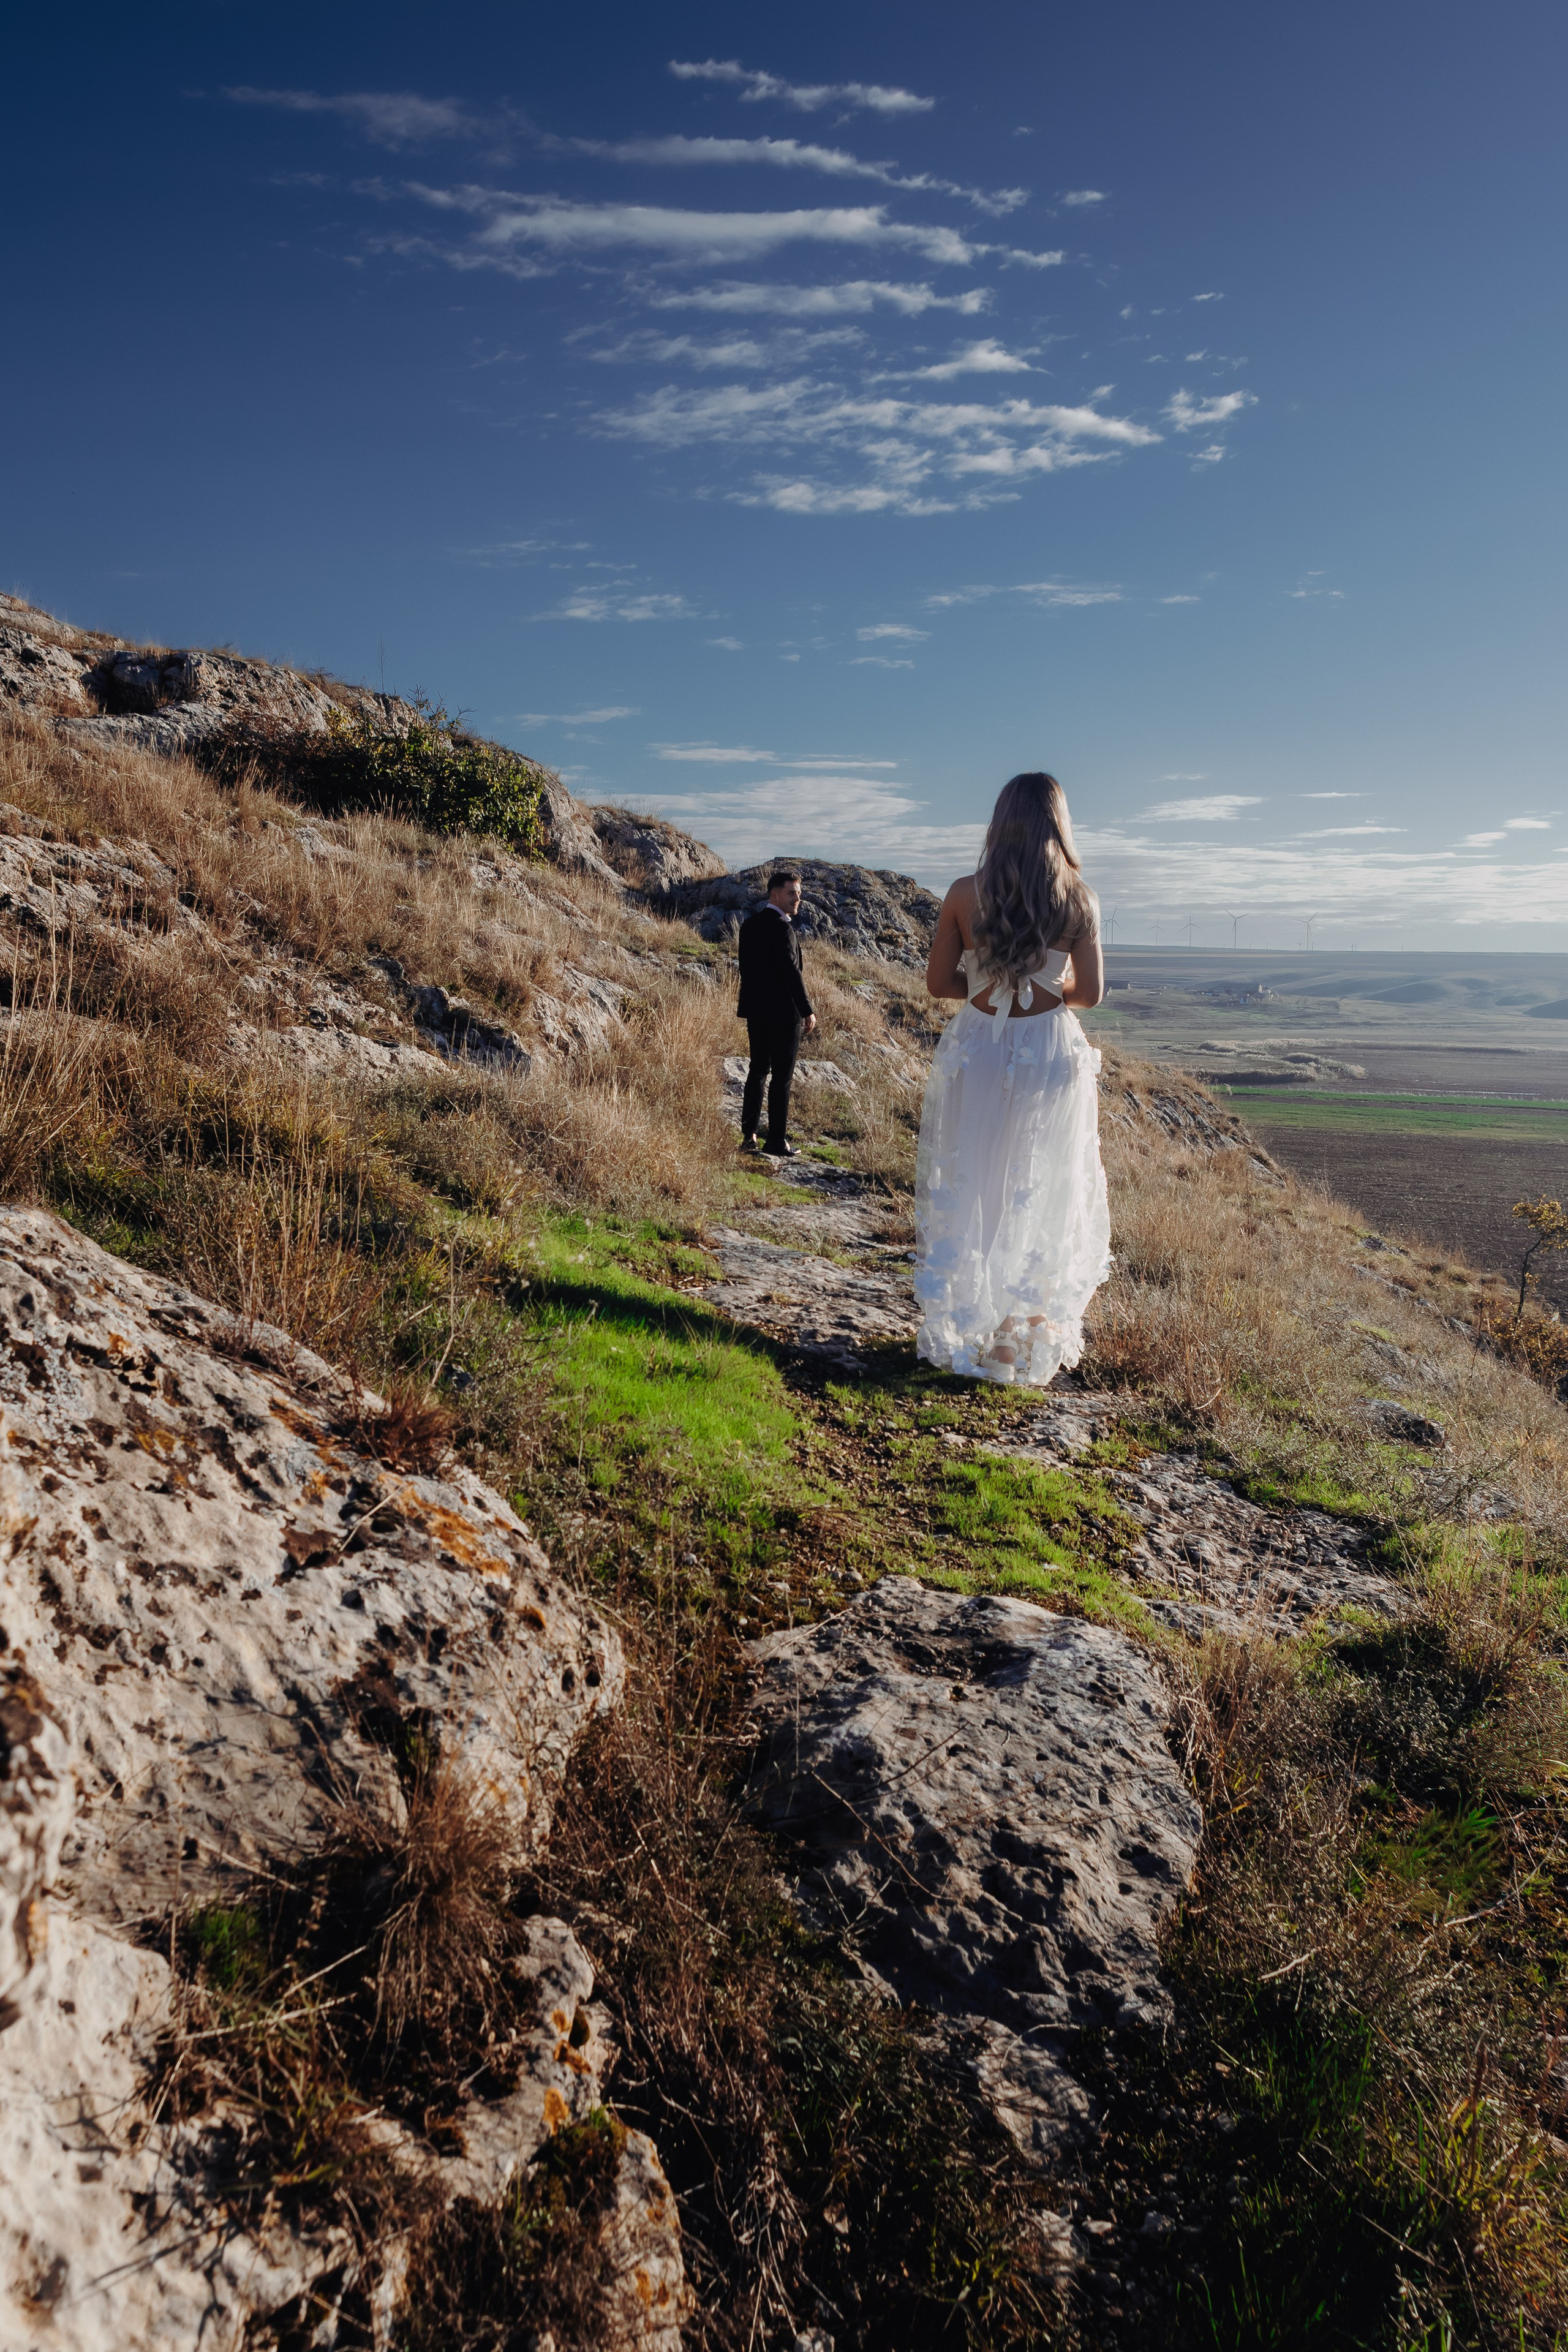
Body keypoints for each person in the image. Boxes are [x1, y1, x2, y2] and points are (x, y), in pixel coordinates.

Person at [914, 772, 1110, 1385]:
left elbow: (938, 983)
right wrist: (1045, 991)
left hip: (981, 1045)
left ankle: (991, 1325)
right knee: (1044, 1180)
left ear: (1000, 822)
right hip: (1049, 1052)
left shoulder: (963, 893)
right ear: (1060, 824)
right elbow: (1092, 993)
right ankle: (1024, 1321)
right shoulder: (1079, 900)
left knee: (981, 1177)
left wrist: (987, 987)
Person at [736, 867, 816, 1156]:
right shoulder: (783, 928)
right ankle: (777, 1141)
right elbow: (792, 974)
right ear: (775, 895)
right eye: (791, 893)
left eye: (799, 893)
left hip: (757, 1011)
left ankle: (749, 1136)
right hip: (784, 1014)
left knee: (757, 1071)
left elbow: (746, 970)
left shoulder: (749, 925)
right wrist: (807, 1010)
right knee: (782, 1077)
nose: (797, 899)